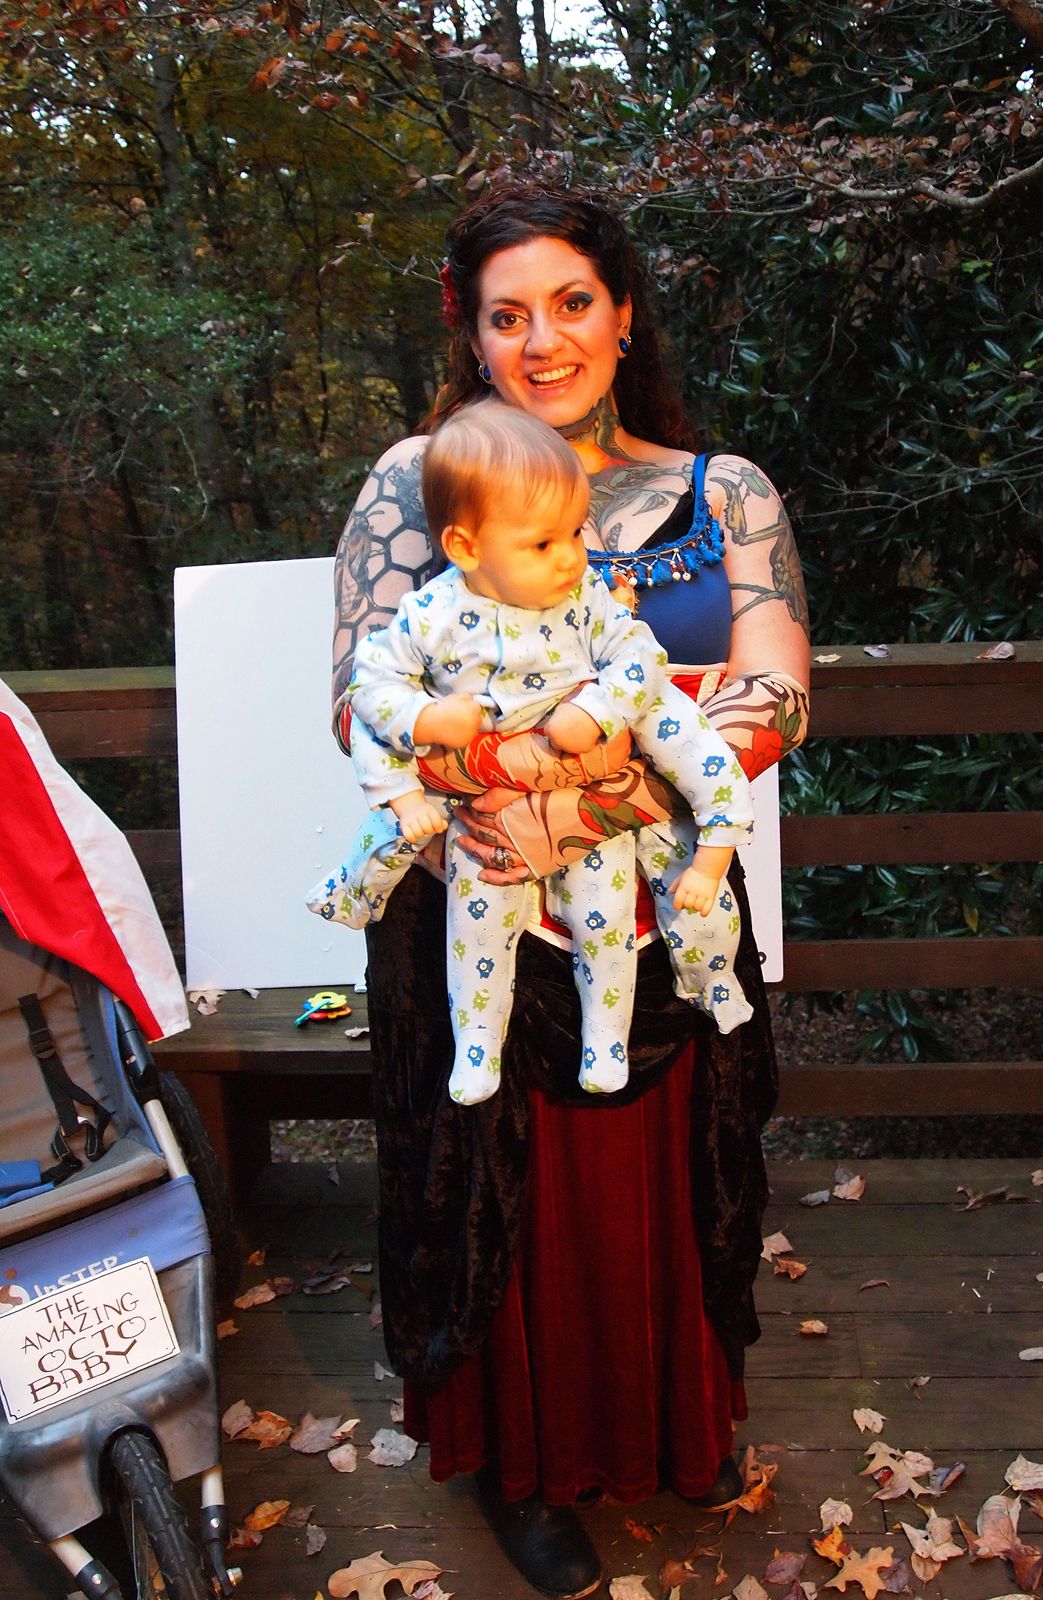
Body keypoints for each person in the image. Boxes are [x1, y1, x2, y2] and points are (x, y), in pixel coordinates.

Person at [330, 183, 811, 1599]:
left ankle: (674, 1424)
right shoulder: (411, 483)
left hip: (667, 900)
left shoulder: (726, 493)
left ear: (623, 309)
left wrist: (597, 800)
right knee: (500, 1186)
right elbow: (360, 698)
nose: (543, 341)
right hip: (473, 893)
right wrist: (506, 809)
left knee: (667, 1173)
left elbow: (779, 690)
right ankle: (519, 1460)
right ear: (470, 333)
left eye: (572, 303)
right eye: (508, 316)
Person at [312, 401, 755, 1103]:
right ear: (465, 548)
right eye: (544, 544)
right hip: (481, 820)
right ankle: (478, 1045)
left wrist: (597, 710)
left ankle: (606, 1037)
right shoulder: (430, 615)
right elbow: (368, 689)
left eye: (574, 532)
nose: (573, 556)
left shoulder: (586, 599)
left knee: (603, 923)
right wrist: (426, 720)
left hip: (587, 809)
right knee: (478, 932)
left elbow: (638, 655)